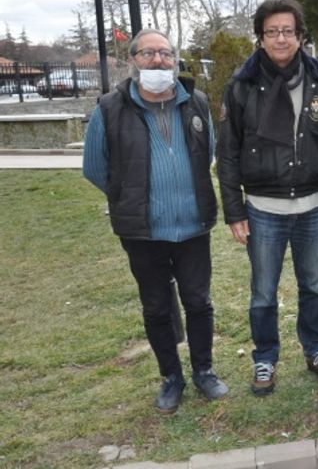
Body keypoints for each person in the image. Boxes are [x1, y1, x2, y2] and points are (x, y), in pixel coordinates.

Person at [82, 28, 228, 414]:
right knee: (156, 307)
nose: (158, 61)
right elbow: (95, 168)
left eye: (165, 54)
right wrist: (130, 198)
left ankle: (204, 371)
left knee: (198, 301)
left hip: (193, 226)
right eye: (148, 54)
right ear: (133, 60)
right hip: (143, 232)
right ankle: (172, 377)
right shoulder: (109, 109)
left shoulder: (195, 103)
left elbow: (208, 152)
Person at [218, 0, 318, 396]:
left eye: (288, 31)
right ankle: (265, 358)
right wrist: (234, 210)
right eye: (272, 31)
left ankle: (317, 350)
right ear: (260, 37)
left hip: (313, 204)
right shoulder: (240, 85)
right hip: (263, 209)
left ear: (300, 35)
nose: (280, 38)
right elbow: (226, 152)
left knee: (313, 285)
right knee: (264, 290)